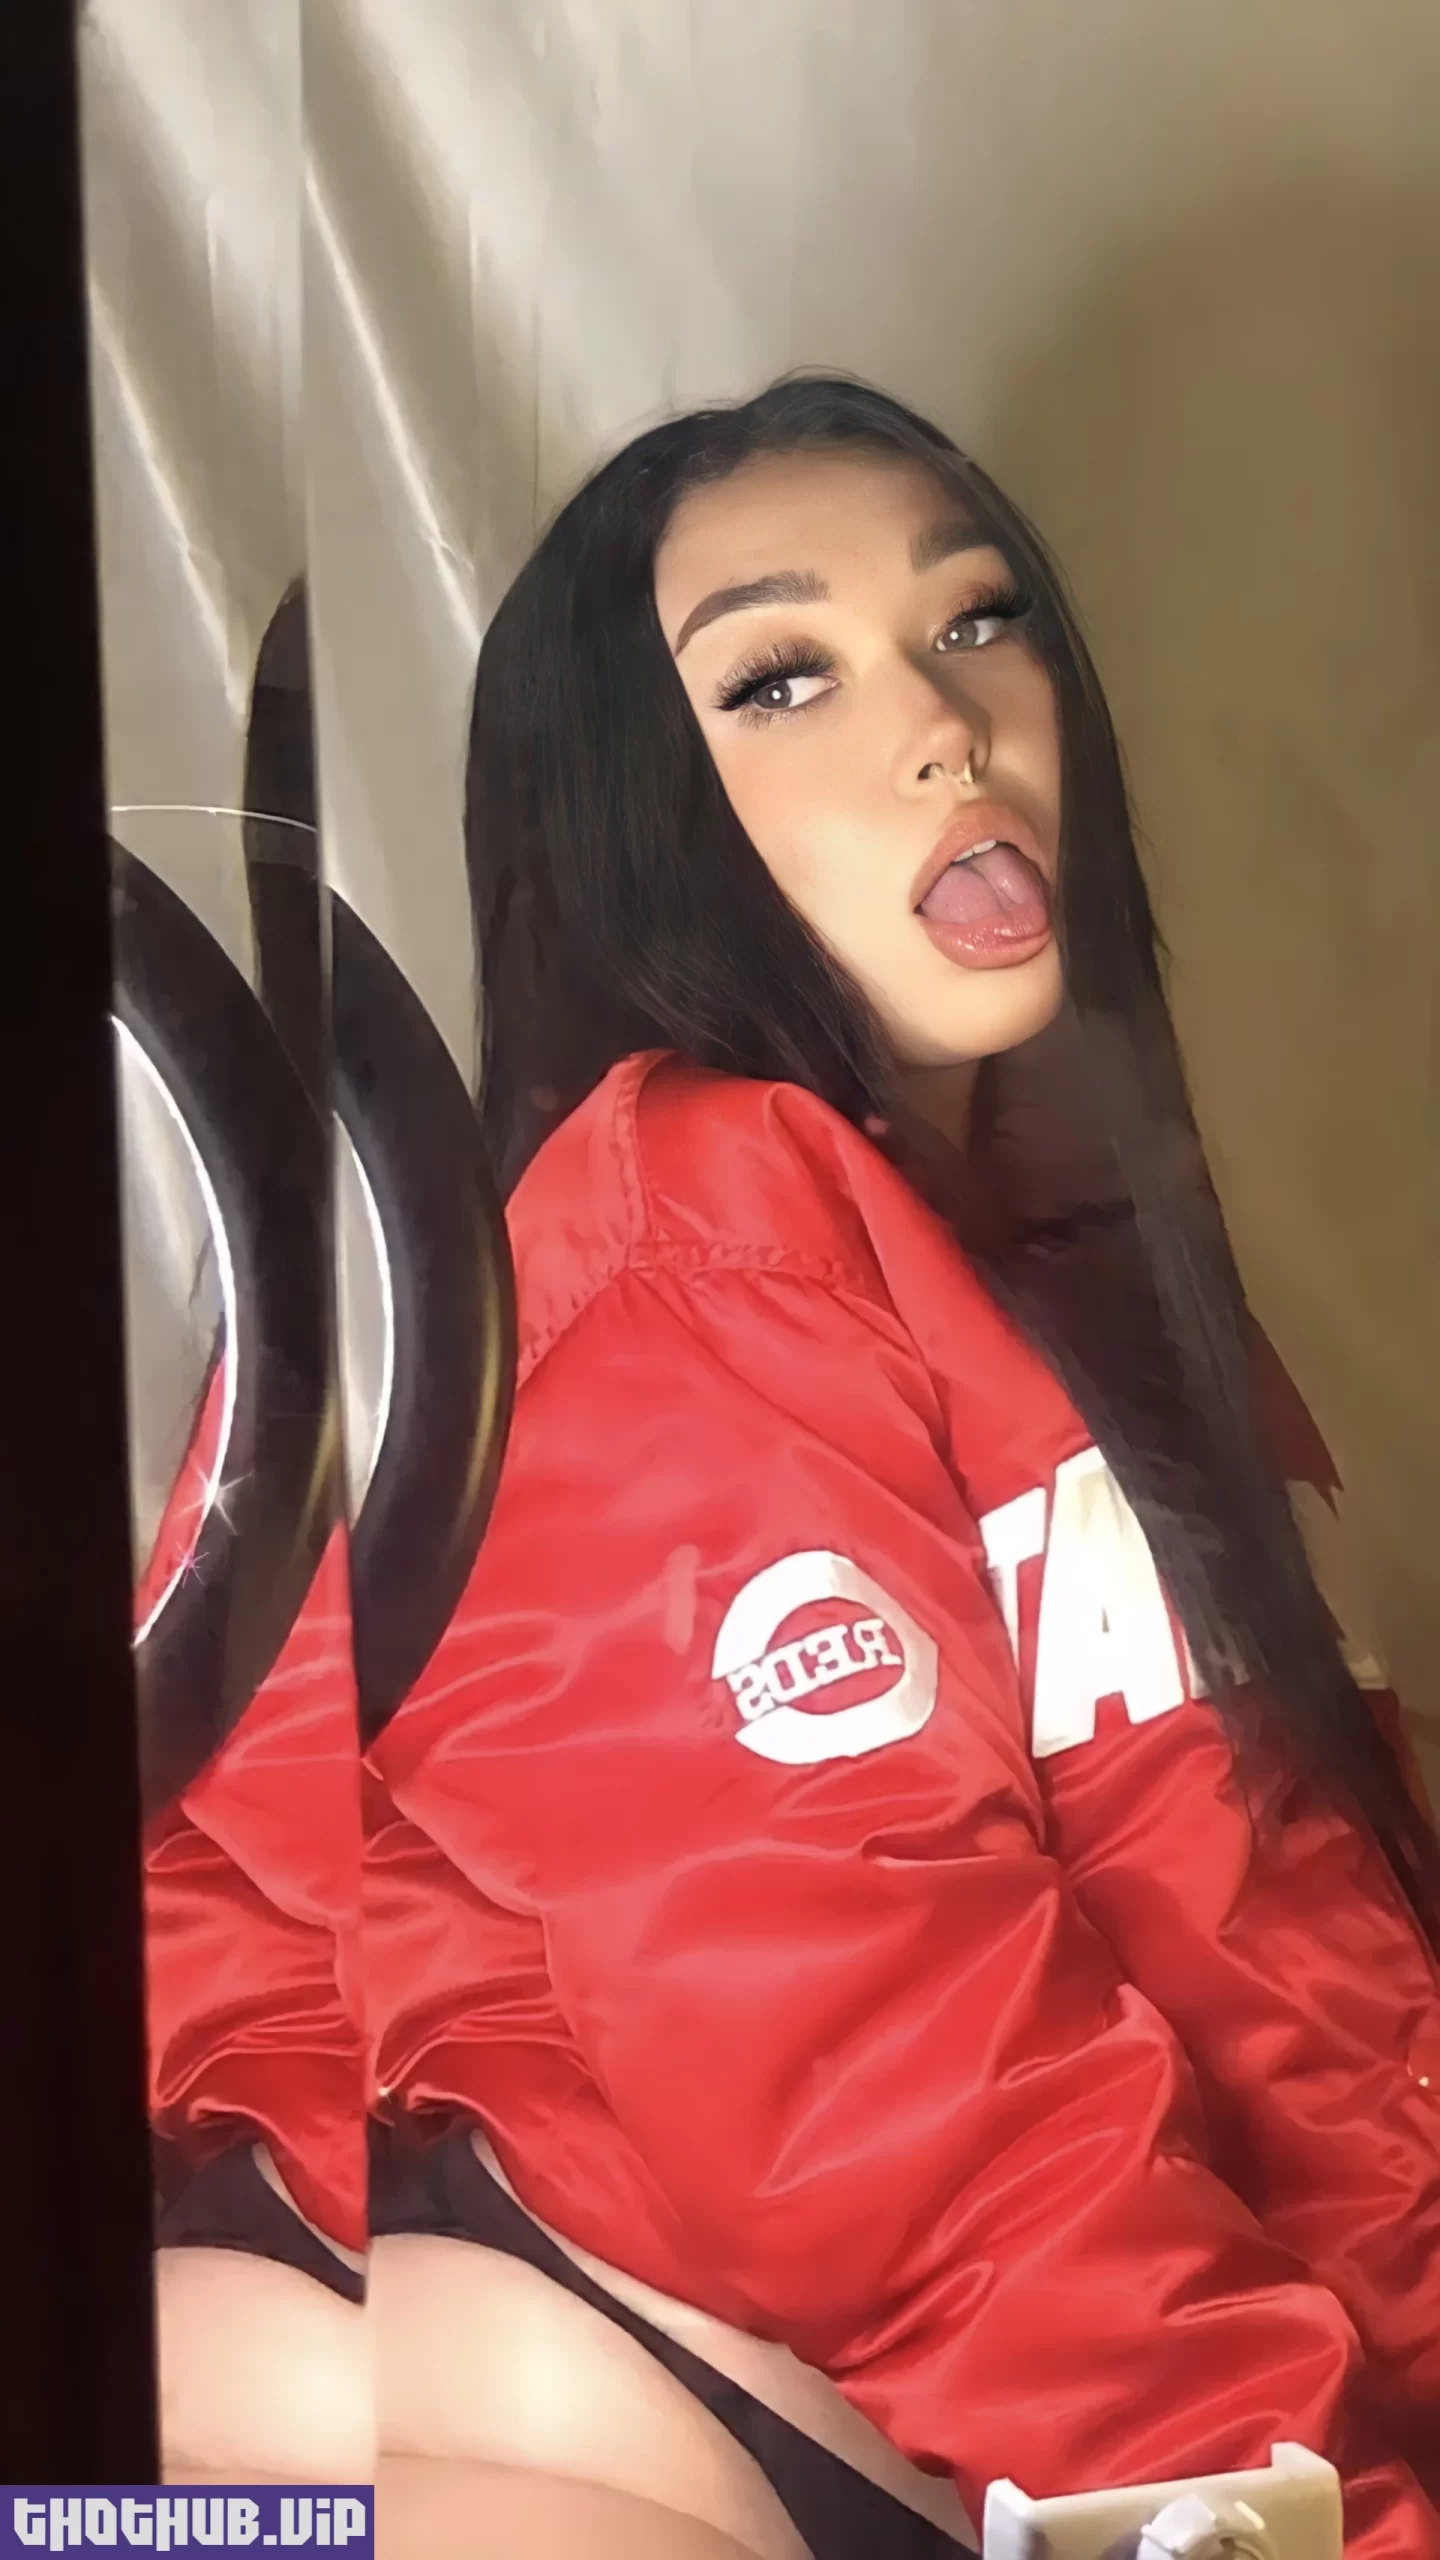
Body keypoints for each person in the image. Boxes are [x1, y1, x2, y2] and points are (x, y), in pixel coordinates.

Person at [362, 374, 1440, 2557]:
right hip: (696, 2385)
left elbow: (1299, 1969)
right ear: (623, 805)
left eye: (978, 621)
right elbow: (894, 2090)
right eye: (784, 676)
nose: (947, 727)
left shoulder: (1074, 1253)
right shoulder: (679, 1239)